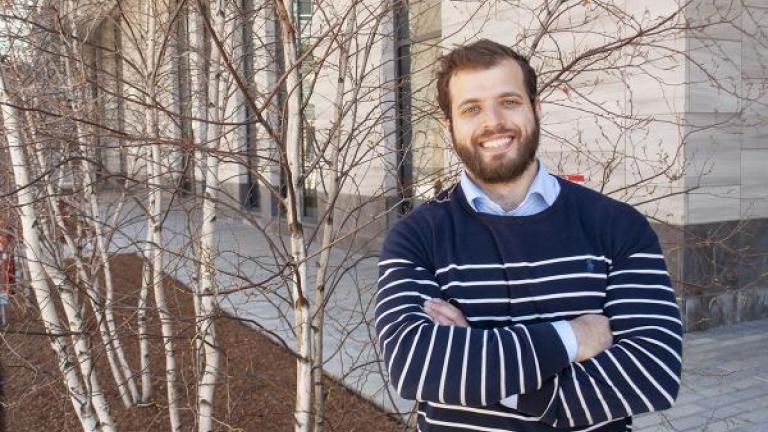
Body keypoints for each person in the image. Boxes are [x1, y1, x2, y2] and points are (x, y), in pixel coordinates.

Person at [375, 39, 682, 432]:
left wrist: (478, 367)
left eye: (509, 101)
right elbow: (414, 367)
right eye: (472, 109)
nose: (493, 122)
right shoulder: (417, 237)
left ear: (535, 109)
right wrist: (572, 338)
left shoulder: (617, 225)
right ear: (448, 125)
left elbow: (651, 374)